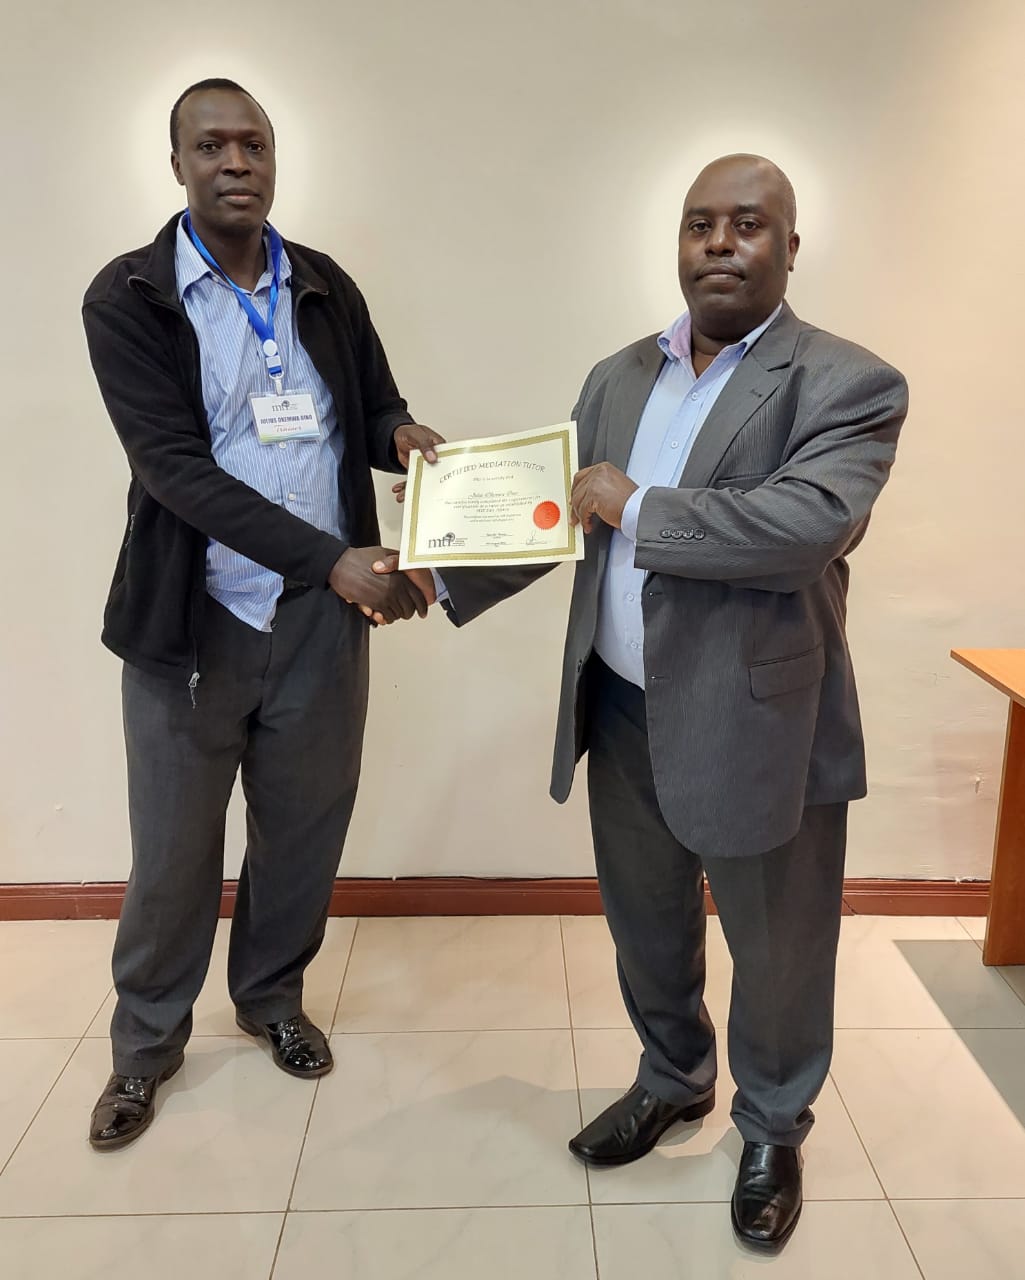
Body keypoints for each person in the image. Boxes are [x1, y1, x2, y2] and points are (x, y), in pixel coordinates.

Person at [385, 154, 908, 1252]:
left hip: (760, 723)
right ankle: (673, 1076)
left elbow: (802, 526)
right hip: (622, 707)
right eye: (698, 223)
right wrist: (438, 563)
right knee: (644, 922)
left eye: (746, 224)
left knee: (777, 946)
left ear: (789, 247)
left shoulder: (847, 382)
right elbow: (559, 510)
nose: (719, 243)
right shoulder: (620, 375)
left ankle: (772, 1126)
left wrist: (640, 506)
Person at [81, 78, 441, 1151]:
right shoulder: (129, 296)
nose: (235, 163)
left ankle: (272, 997)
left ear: (275, 159)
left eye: (253, 144)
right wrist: (332, 559)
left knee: (302, 830)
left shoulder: (323, 283)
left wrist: (403, 437)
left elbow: (368, 406)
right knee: (174, 851)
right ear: (176, 164)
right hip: (192, 623)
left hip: (318, 627)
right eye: (211, 146)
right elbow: (174, 470)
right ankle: (146, 1046)